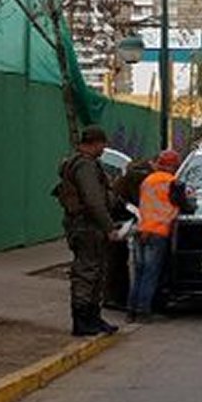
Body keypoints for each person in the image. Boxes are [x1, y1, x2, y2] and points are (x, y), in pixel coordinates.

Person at [53, 126, 121, 337]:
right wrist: (109, 227)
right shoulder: (85, 166)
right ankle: (82, 320)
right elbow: (94, 200)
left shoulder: (83, 164)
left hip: (89, 226)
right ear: (95, 143)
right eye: (102, 144)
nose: (104, 148)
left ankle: (93, 317)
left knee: (97, 271)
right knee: (87, 272)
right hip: (87, 226)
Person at [129, 149, 195, 323]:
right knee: (151, 274)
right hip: (158, 232)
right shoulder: (173, 183)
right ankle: (144, 311)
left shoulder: (147, 181)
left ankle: (132, 311)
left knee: (140, 272)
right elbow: (185, 206)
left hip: (141, 230)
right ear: (174, 165)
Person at [105, 156, 155, 311]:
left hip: (117, 222)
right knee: (122, 261)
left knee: (116, 261)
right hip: (122, 223)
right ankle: (118, 298)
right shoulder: (140, 181)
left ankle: (114, 297)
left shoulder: (122, 182)